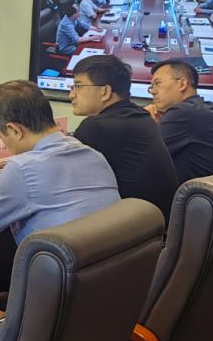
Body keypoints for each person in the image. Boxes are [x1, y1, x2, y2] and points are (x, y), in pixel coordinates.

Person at [0, 80, 119, 246]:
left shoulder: (22, 168)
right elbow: (51, 199)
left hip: (55, 262)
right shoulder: (94, 156)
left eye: (0, 136)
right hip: (101, 259)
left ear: (15, 130)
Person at [70, 56, 177, 222]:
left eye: (78, 86)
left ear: (105, 92)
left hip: (129, 228)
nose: (72, 94)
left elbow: (64, 179)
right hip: (154, 226)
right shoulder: (142, 117)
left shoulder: (97, 126)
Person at [144, 60, 213, 183]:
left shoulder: (181, 113)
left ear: (182, 84)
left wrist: (146, 123)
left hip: (196, 192)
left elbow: (141, 157)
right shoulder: (205, 107)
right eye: (151, 87)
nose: (153, 91)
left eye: (158, 84)